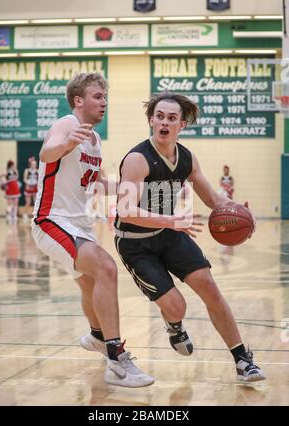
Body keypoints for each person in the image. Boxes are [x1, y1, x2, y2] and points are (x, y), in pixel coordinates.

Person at [114, 91, 266, 383]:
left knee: (209, 287)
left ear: (181, 125)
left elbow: (212, 198)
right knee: (177, 306)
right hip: (135, 242)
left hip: (170, 232)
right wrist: (170, 220)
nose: (164, 122)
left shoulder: (186, 158)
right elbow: (125, 209)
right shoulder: (137, 159)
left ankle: (242, 361)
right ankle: (175, 325)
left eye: (172, 118)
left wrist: (238, 211)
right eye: (159, 116)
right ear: (150, 120)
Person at [31, 72, 154, 388]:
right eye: (98, 96)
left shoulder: (95, 141)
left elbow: (99, 183)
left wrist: (141, 186)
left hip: (78, 223)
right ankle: (116, 359)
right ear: (78, 101)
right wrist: (65, 143)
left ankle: (99, 336)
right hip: (51, 219)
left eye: (105, 97)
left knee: (90, 284)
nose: (104, 102)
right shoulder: (67, 124)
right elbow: (46, 153)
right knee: (106, 269)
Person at [0, 160, 21, 224]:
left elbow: (16, 178)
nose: (14, 165)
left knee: (16, 203)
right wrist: (2, 183)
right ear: (10, 165)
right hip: (9, 188)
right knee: (10, 204)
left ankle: (15, 216)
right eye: (13, 164)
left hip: (15, 187)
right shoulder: (6, 171)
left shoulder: (15, 171)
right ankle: (9, 216)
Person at [23, 156, 39, 221]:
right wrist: (29, 183)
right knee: (28, 202)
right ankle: (25, 214)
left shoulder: (37, 171)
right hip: (29, 187)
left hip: (35, 187)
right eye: (33, 164)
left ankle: (35, 214)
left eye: (35, 164)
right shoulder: (27, 170)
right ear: (30, 164)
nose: (34, 165)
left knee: (35, 202)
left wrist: (36, 183)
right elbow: (24, 179)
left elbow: (39, 179)